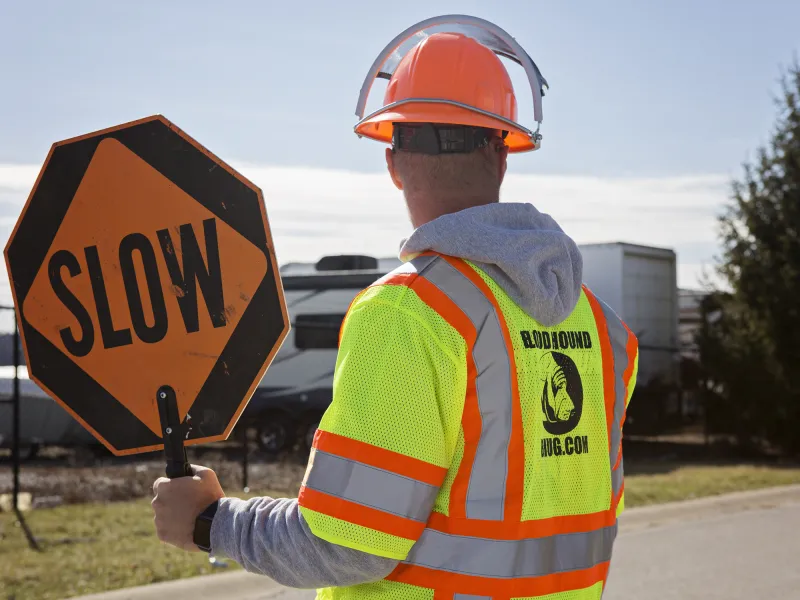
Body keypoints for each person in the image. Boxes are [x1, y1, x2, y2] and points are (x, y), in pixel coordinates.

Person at [152, 15, 639, 600]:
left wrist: (212, 522)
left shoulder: (408, 313)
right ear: (502, 154)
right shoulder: (604, 329)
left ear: (392, 160)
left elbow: (346, 544)